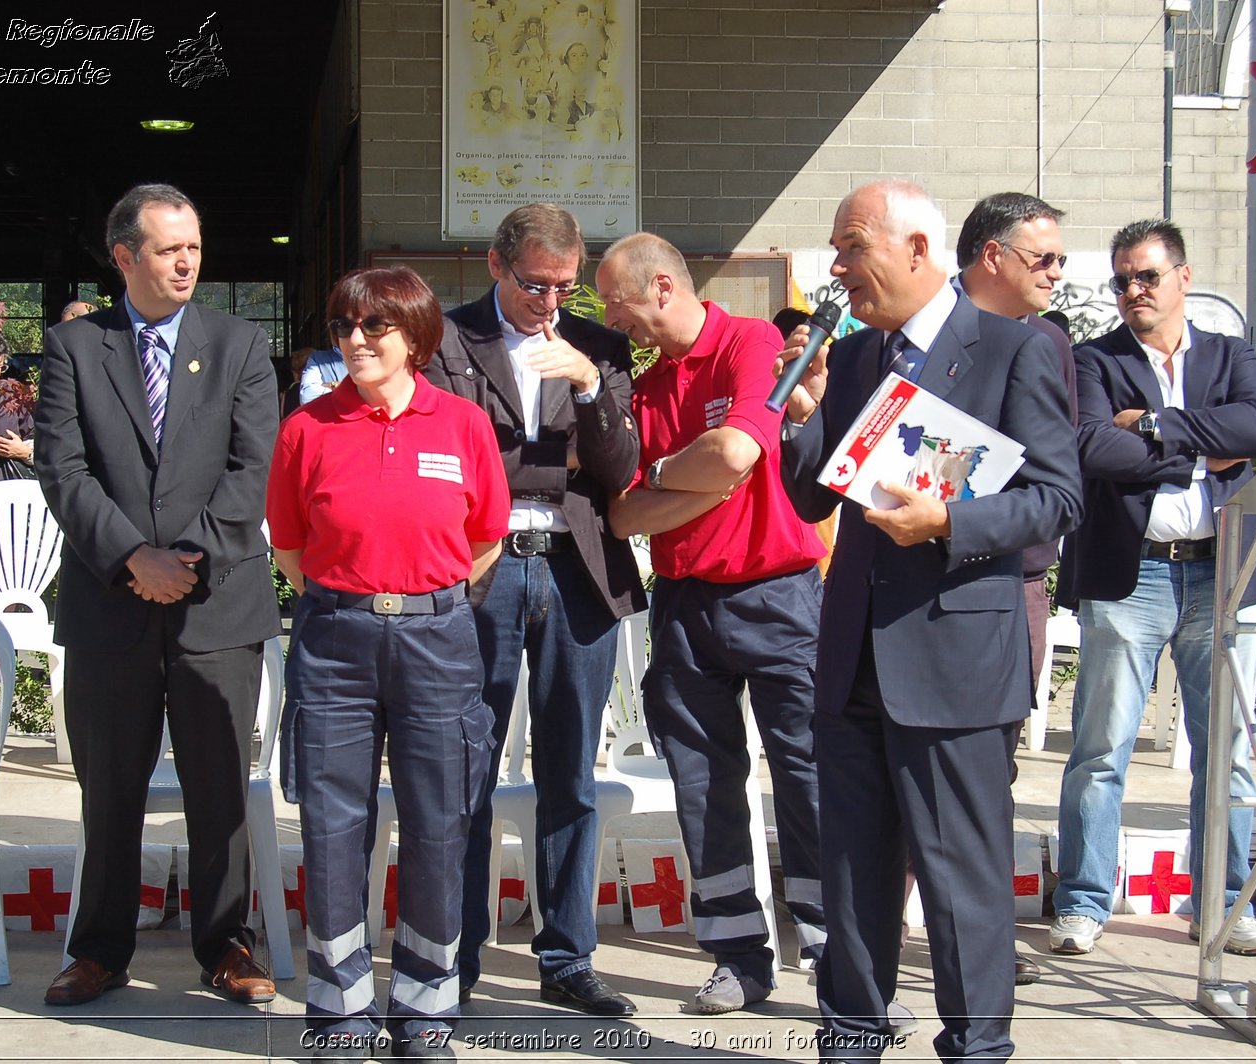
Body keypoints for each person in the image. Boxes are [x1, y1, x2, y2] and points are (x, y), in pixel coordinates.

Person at [777, 180, 1081, 1062]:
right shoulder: (861, 357)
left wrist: (948, 522)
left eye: (852, 246)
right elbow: (808, 497)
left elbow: (1057, 499)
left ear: (917, 249)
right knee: (853, 876)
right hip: (852, 663)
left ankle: (977, 1049)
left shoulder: (1013, 351)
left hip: (955, 658)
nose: (837, 268)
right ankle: (850, 1041)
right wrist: (805, 412)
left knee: (961, 883)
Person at [34, 183, 282, 1007]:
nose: (187, 262)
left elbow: (255, 469)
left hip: (218, 605)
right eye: (170, 248)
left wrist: (185, 558)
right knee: (110, 788)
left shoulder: (240, 343)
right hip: (112, 606)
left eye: (195, 248)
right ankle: (100, 948)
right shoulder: (75, 349)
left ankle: (228, 945)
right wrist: (132, 558)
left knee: (220, 788)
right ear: (124, 257)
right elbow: (63, 472)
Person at [269, 266, 509, 1062]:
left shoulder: (464, 425)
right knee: (334, 824)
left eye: (374, 327)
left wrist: (416, 601)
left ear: (416, 337)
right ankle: (339, 1013)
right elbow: (292, 547)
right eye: (344, 327)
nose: (356, 342)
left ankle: (424, 1010)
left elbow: (484, 540)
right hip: (335, 640)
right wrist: (360, 601)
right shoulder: (308, 428)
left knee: (440, 822)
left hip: (439, 642)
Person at [422, 203, 644, 1018]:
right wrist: (554, 468)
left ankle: (568, 956)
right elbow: (453, 462)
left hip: (576, 572)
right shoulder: (443, 341)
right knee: (465, 771)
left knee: (570, 774)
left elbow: (618, 469)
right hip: (479, 573)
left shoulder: (600, 349)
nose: (550, 302)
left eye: (563, 286)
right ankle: (455, 957)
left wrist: (587, 389)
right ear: (494, 264)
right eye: (533, 284)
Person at [599, 233, 829, 1013]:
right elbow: (626, 509)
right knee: (703, 784)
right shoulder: (648, 387)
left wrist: (682, 473)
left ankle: (835, 955)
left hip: (780, 597)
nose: (617, 324)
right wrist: (688, 478)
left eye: (620, 307)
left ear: (662, 286)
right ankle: (737, 953)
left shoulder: (753, 342)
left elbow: (735, 450)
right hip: (686, 608)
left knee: (810, 777)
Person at [1049, 219, 1256, 958]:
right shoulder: (1093, 359)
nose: (1131, 292)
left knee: (1228, 750)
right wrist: (1197, 452)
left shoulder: (1229, 354)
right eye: (1120, 280)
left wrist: (1151, 426)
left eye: (1145, 276)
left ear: (1182, 277)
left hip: (1222, 570)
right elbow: (1089, 445)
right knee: (1100, 749)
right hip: (1132, 570)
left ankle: (1222, 902)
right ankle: (1084, 902)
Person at [954, 191, 1079, 987]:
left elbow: (1054, 479)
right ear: (991, 255)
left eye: (1062, 259)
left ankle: (981, 940)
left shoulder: (1046, 345)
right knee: (894, 768)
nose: (1057, 274)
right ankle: (879, 929)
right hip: (898, 591)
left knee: (988, 768)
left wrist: (955, 519)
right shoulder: (905, 343)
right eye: (1044, 259)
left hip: (1009, 582)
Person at [0, 323, 36, 483]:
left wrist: (24, 451)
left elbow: (36, 435)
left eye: (0, 367)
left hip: (6, 488)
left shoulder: (10, 394)